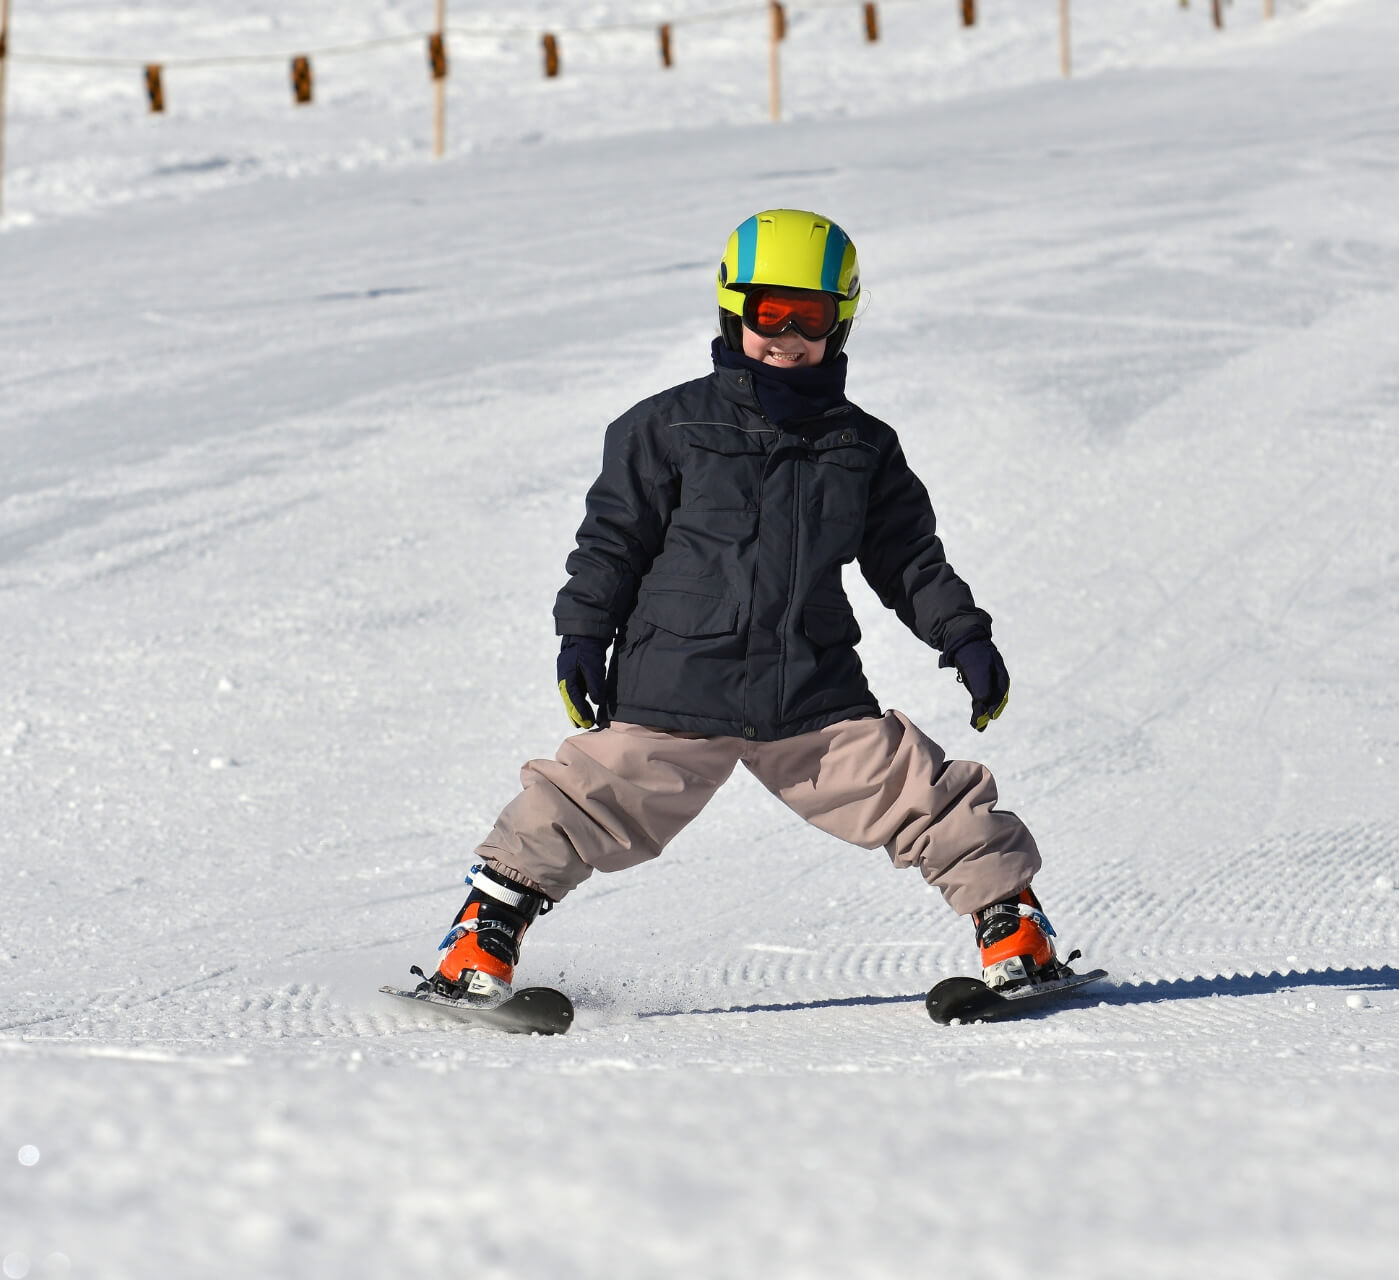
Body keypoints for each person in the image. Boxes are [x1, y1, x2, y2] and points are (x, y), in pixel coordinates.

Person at [418, 208, 1076, 1006]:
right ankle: (481, 939)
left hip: (809, 692)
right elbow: (611, 544)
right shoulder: (665, 428)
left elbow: (907, 559)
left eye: (812, 317)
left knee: (921, 790)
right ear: (735, 311)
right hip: (676, 683)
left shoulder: (863, 446)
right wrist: (582, 634)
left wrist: (964, 637)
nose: (788, 335)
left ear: (843, 321)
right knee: (583, 799)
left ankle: (1012, 927)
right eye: (770, 314)